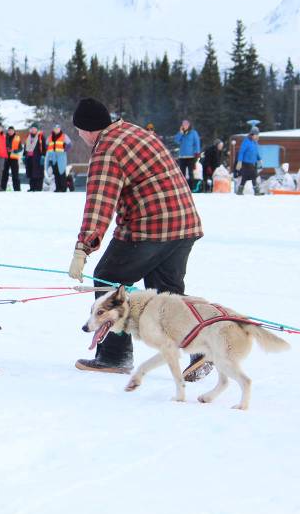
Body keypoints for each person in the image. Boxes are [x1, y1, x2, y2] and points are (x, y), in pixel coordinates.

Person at [66, 98, 206, 380]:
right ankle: (202, 349)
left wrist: (82, 249)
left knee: (108, 278)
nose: (79, 136)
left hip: (151, 227)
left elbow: (99, 204)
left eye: (79, 131)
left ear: (89, 129)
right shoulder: (134, 131)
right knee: (167, 296)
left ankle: (115, 356)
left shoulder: (106, 150)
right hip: (183, 223)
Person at [173, 119, 201, 189]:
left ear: (189, 125)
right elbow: (176, 140)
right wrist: (180, 133)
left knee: (191, 173)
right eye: (183, 125)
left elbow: (197, 143)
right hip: (182, 156)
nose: (185, 126)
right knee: (182, 173)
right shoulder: (181, 133)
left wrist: (197, 153)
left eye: (186, 124)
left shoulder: (193, 133)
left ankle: (191, 188)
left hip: (191, 156)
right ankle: (182, 187)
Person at [45, 124, 71, 192]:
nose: (56, 130)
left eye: (57, 128)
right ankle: (58, 188)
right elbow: (46, 145)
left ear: (60, 129)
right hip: (53, 157)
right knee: (55, 173)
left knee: (62, 172)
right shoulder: (50, 137)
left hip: (61, 157)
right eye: (55, 128)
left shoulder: (64, 136)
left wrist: (65, 150)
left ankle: (63, 188)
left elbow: (69, 145)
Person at [236, 128, 260, 194]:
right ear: (252, 134)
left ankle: (239, 191)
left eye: (257, 135)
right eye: (256, 135)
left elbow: (256, 152)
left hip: (253, 163)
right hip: (246, 163)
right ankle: (256, 191)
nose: (257, 136)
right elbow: (241, 152)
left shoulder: (254, 142)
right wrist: (239, 161)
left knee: (245, 177)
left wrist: (259, 159)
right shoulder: (246, 141)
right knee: (254, 176)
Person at [23, 124, 46, 191]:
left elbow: (44, 147)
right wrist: (24, 155)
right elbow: (25, 147)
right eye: (32, 128)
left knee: (38, 173)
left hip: (38, 157)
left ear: (37, 129)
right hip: (29, 157)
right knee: (31, 173)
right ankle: (32, 187)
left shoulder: (41, 137)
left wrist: (43, 156)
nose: (33, 130)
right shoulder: (28, 137)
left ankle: (38, 188)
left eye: (34, 128)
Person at [1, 125, 23, 191]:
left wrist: (14, 150)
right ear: (8, 131)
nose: (10, 132)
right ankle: (2, 188)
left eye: (12, 130)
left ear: (14, 131)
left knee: (15, 174)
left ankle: (17, 189)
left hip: (14, 158)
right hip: (6, 158)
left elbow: (21, 148)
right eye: (9, 130)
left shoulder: (17, 137)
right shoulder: (4, 137)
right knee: (4, 174)